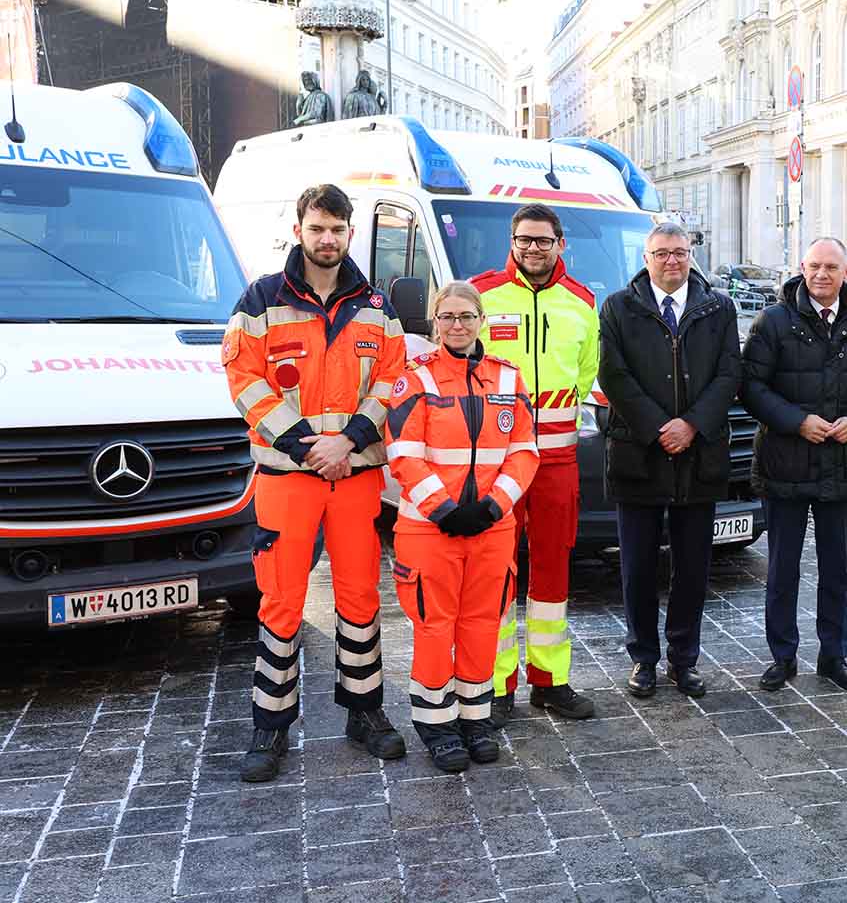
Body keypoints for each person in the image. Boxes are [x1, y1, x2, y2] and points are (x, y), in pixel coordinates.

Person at [223, 183, 407, 782]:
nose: (327, 239)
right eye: (317, 227)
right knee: (280, 600)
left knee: (359, 596)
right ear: (299, 229)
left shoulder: (376, 305)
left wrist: (348, 440)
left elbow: (392, 378)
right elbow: (245, 379)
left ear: (350, 233)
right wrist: (308, 447)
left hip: (353, 475)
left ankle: (365, 712)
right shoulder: (261, 300)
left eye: (337, 229)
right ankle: (270, 726)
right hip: (289, 475)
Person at [385, 281, 539, 771]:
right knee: (436, 626)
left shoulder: (509, 379)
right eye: (448, 316)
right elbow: (403, 456)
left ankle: (475, 717)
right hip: (430, 530)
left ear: (481, 320)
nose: (457, 325)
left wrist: (493, 507)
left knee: (482, 625)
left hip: (492, 530)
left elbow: (524, 453)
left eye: (466, 316)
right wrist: (444, 510)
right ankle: (435, 723)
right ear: (434, 322)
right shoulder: (417, 380)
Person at [598, 223, 741, 699]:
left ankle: (684, 660)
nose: (672, 261)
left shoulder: (718, 307)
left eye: (680, 253)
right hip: (639, 454)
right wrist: (660, 426)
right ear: (646, 257)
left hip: (698, 456)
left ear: (691, 255)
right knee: (637, 568)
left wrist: (692, 425)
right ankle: (643, 659)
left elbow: (728, 373)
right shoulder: (620, 307)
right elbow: (614, 376)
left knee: (693, 568)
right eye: (662, 253)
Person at [741, 238, 847, 692]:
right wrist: (797, 422)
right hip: (785, 461)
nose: (821, 275)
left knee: (836, 569)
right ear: (801, 268)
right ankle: (782, 658)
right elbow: (751, 386)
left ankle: (834, 655)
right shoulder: (773, 321)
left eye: (831, 267)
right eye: (814, 266)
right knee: (782, 568)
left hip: (840, 464)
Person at [471, 205, 599, 721]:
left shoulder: (582, 302)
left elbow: (588, 372)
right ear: (513, 241)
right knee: (497, 569)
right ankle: (498, 683)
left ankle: (550, 681)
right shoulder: (483, 294)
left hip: (558, 459)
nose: (533, 249)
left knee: (552, 567)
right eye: (524, 240)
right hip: (498, 460)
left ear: (560, 243)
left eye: (543, 240)